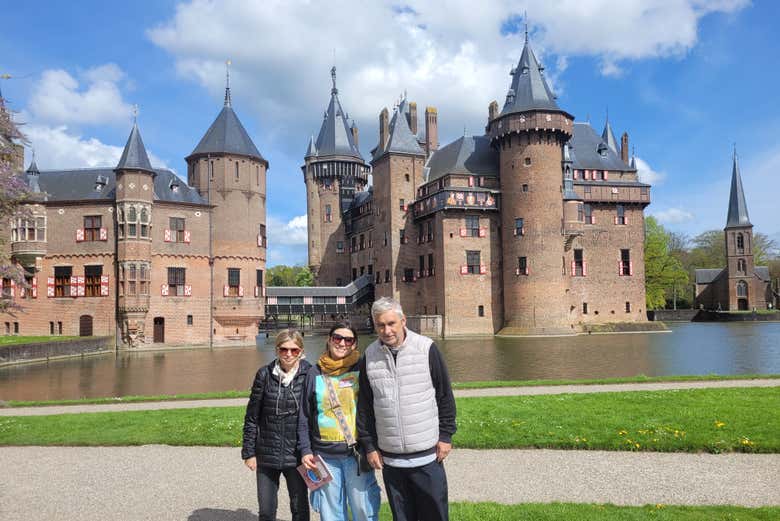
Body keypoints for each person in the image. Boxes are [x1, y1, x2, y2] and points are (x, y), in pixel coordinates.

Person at [357, 297, 457, 521]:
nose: (387, 330)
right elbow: (365, 407)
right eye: (381, 325)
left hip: (427, 456)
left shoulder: (427, 349)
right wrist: (370, 446)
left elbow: (444, 396)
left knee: (435, 515)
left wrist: (446, 435)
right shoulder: (369, 357)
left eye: (391, 323)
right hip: (392, 460)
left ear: (403, 321)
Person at [298, 323, 381, 521]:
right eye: (337, 338)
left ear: (354, 344)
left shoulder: (363, 368)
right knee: (330, 513)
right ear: (329, 339)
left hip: (356, 453)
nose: (342, 343)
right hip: (324, 456)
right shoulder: (314, 372)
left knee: (363, 508)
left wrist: (372, 446)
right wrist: (306, 450)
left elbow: (374, 408)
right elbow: (304, 415)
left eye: (348, 340)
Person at [242, 329, 311, 521]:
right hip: (266, 454)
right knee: (266, 511)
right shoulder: (264, 375)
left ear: (301, 351)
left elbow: (314, 416)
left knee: (300, 509)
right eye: (284, 350)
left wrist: (311, 450)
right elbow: (251, 416)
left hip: (296, 454)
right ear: (277, 350)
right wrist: (249, 452)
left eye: (294, 350)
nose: (289, 354)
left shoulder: (309, 374)